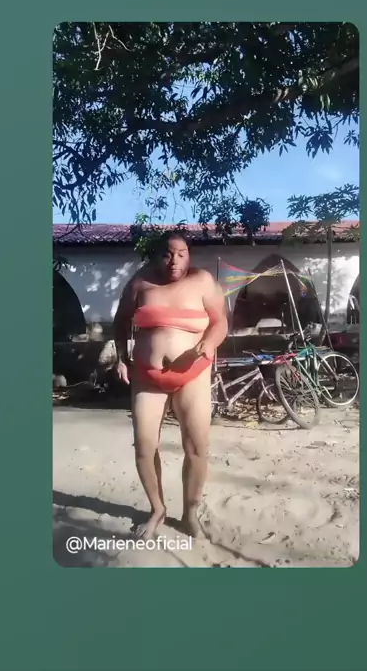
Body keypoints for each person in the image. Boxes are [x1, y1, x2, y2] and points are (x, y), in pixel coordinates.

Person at [113, 231, 228, 540]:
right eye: (167, 254)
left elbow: (220, 322)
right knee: (144, 446)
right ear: (157, 255)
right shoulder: (140, 282)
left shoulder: (202, 281)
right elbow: (121, 321)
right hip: (147, 377)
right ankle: (157, 509)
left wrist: (209, 342)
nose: (174, 260)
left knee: (197, 447)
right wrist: (121, 358)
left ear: (189, 254)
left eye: (181, 254)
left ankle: (190, 512)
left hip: (193, 374)